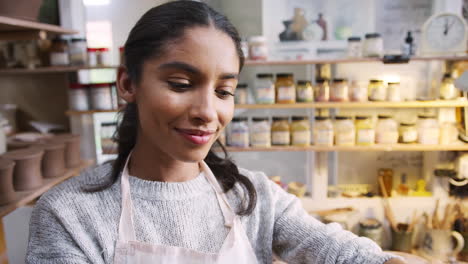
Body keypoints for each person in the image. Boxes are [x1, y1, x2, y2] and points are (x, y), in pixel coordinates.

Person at [26, 1, 406, 263]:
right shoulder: (69, 214)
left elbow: (338, 252)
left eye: (224, 91)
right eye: (179, 83)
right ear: (128, 83)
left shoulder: (253, 198)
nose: (208, 112)